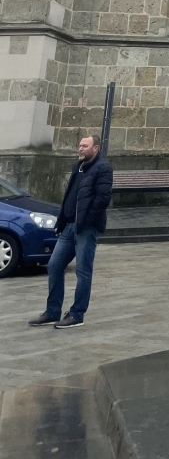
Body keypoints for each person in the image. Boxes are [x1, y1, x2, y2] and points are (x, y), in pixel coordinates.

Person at [28, 134, 113, 328]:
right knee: (54, 266)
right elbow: (69, 197)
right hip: (68, 227)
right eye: (80, 145)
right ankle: (52, 312)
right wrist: (61, 221)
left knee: (83, 271)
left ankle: (76, 314)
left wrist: (86, 221)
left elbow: (102, 199)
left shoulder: (103, 168)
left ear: (95, 148)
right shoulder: (78, 167)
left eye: (85, 146)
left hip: (86, 228)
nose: (80, 148)